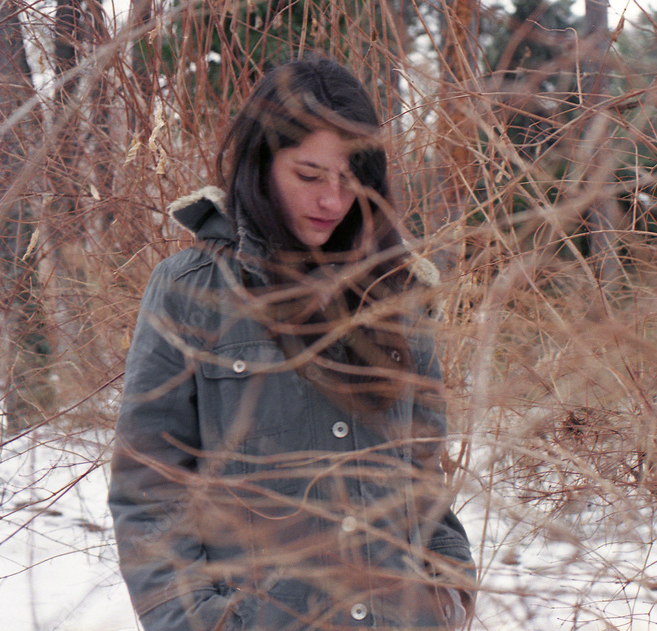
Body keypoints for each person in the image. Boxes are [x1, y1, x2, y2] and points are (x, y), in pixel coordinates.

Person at [108, 57, 475, 630]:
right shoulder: (190, 291)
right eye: (308, 175)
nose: (332, 199)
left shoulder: (398, 296)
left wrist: (449, 599)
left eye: (350, 180)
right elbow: (149, 492)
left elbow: (424, 481)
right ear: (260, 164)